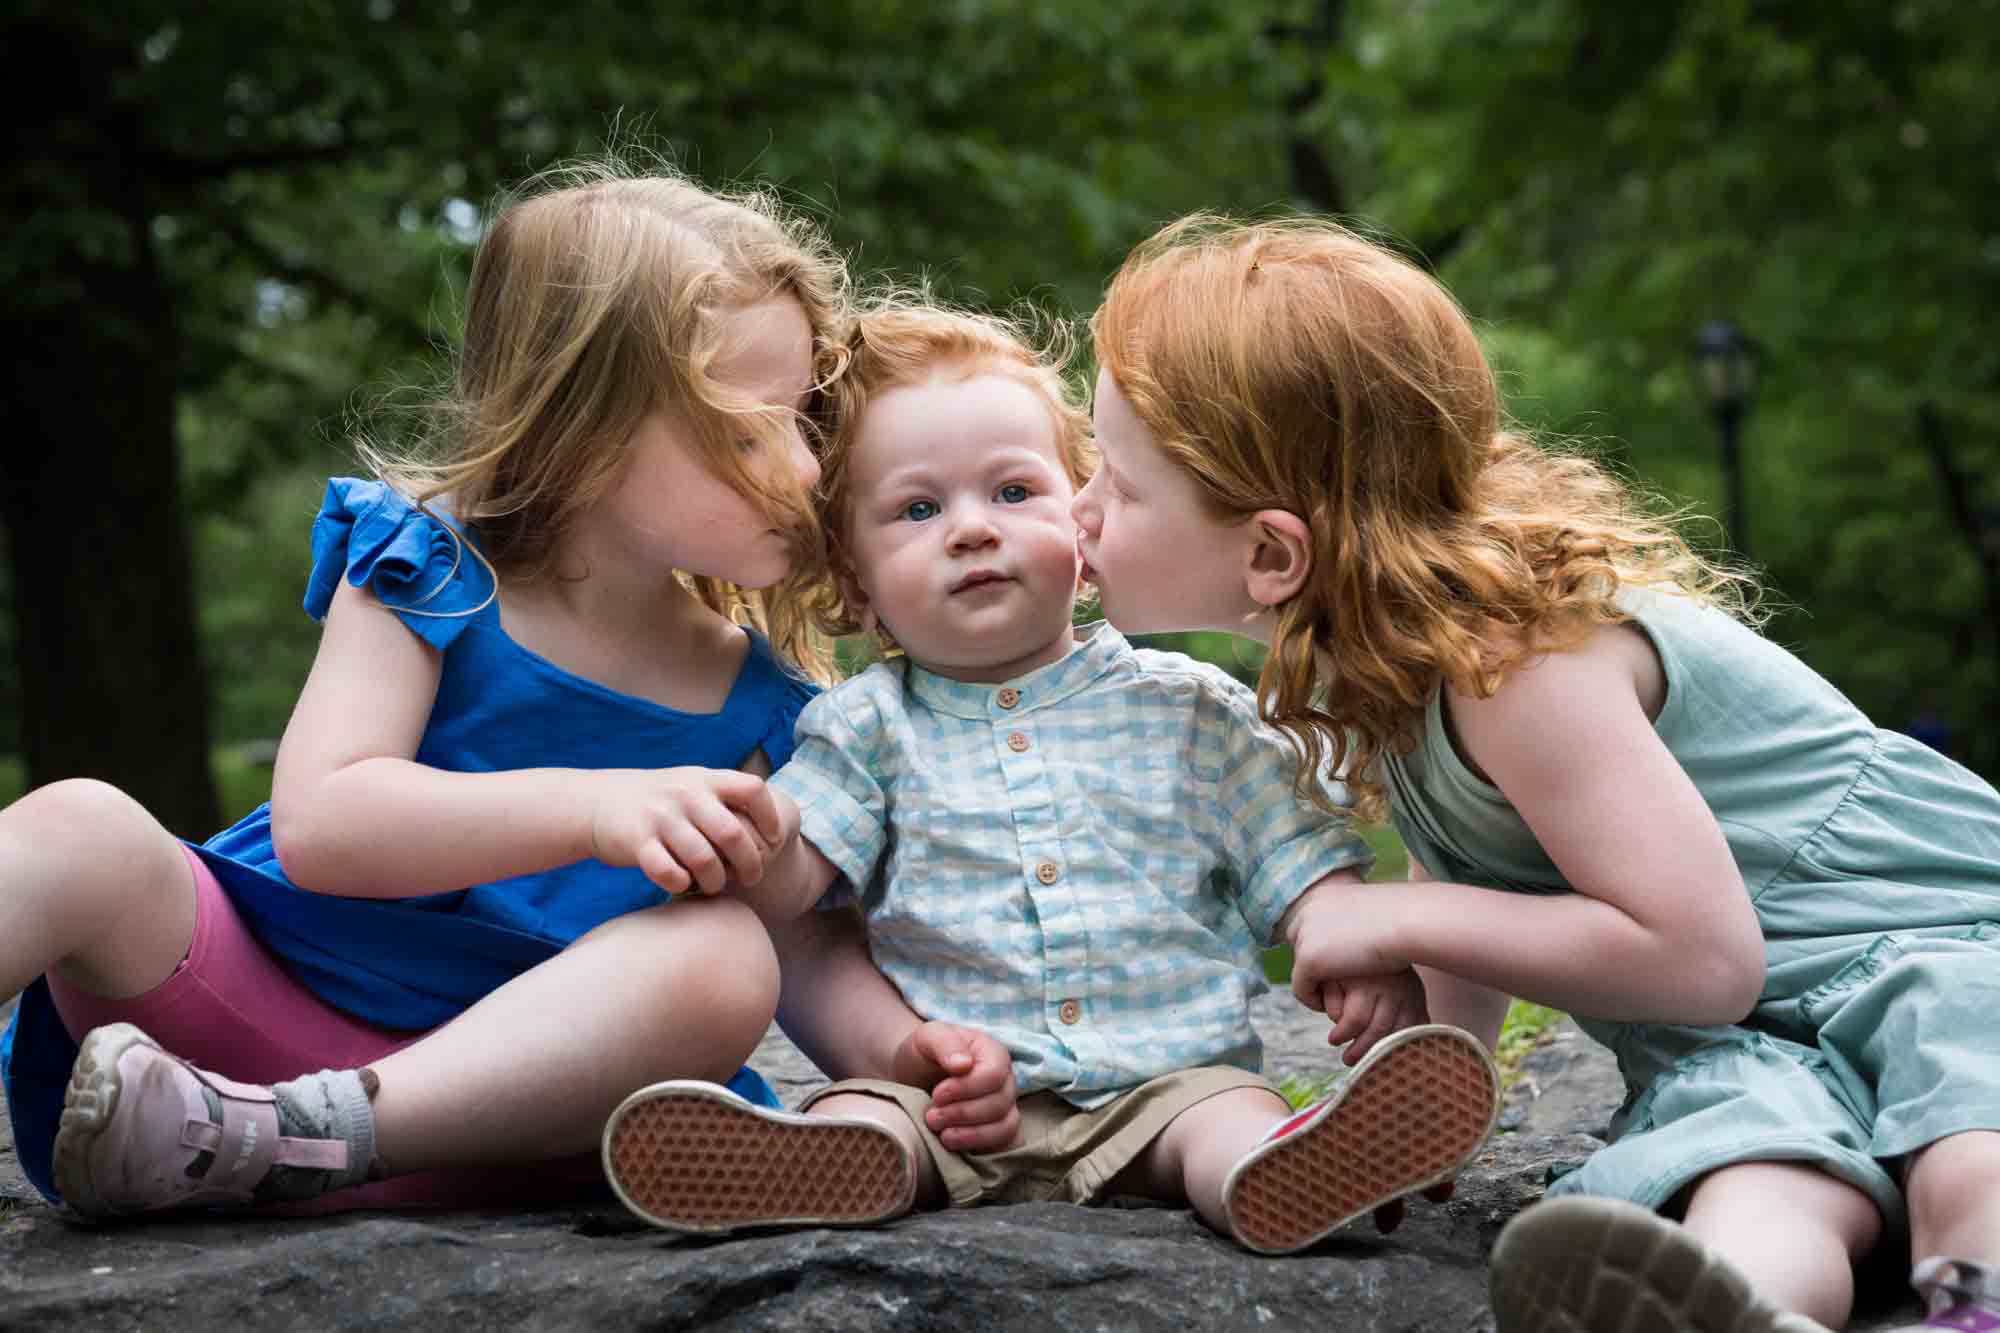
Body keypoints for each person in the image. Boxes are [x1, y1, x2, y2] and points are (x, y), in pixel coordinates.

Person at [1069, 213, 2000, 1330]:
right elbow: (1466, 859)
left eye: (1114, 487)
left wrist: (1398, 927)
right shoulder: (1389, 656)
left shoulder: (1519, 665)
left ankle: (1971, 1303)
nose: (1077, 511)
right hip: (1750, 1034)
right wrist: (1435, 1084)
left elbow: (1698, 955)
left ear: (1272, 554)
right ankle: (1747, 1312)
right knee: (1749, 1165)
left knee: (1963, 1127)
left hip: (1932, 951)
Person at [0, 158, 849, 1220]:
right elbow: (324, 822)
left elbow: (810, 949)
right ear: (580, 433)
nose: (809, 470)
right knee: (78, 829)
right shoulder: (428, 567)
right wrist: (592, 808)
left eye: (805, 418)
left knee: (724, 960)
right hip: (232, 1029)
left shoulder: (766, 707)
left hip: (496, 1103)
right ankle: (233, 1135)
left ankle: (310, 1143)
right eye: (742, 431)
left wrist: (919, 1064)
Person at [594, 296, 1502, 1255]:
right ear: (855, 582)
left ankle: (1286, 1170)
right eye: (916, 509)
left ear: (1088, 515)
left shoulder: (1191, 709)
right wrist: (735, 828)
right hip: (952, 1103)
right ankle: (798, 1167)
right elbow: (789, 884)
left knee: (1226, 1117)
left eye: (1014, 492)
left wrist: (1355, 953)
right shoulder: (863, 728)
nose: (971, 529)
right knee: (870, 1118)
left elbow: (1299, 863)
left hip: (1165, 1082)